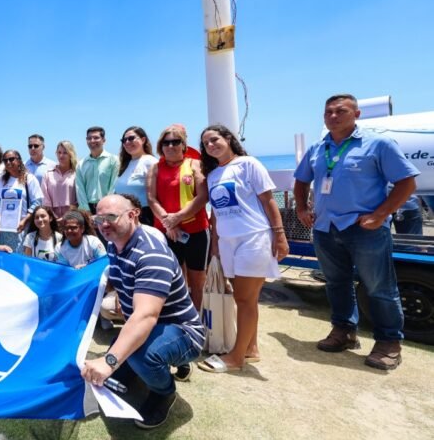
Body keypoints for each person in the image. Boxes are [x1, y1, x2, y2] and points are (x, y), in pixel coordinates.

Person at [293, 94, 419, 370]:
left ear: (357, 114)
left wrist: (380, 214)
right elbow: (301, 181)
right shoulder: (317, 148)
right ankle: (344, 331)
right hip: (326, 228)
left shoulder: (378, 144)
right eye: (328, 112)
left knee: (379, 287)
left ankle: (388, 343)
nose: (333, 116)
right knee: (336, 283)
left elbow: (406, 183)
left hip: (365, 230)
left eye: (341, 111)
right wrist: (302, 209)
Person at [81, 194, 204, 429]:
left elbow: (145, 316)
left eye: (111, 217)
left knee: (139, 356)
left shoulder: (151, 254)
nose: (104, 225)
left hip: (184, 332)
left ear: (133, 214)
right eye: (99, 219)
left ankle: (164, 392)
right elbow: (114, 278)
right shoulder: (114, 244)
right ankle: (152, 363)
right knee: (120, 358)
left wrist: (109, 361)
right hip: (151, 326)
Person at [197, 124, 288, 374]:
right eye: (206, 143)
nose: (211, 145)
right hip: (228, 242)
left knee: (245, 299)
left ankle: (236, 357)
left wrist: (279, 236)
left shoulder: (248, 164)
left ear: (228, 138)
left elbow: (268, 201)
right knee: (246, 299)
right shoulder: (214, 175)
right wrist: (215, 244)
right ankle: (251, 348)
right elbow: (215, 213)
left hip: (253, 237)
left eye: (215, 139)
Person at [147, 124, 210, 310]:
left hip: (196, 231)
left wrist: (178, 217)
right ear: (160, 146)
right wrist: (169, 222)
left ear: (183, 145)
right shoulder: (155, 169)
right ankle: (179, 317)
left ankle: (197, 323)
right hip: (167, 232)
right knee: (173, 279)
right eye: (166, 142)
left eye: (176, 142)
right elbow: (151, 198)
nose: (171, 146)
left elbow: (202, 196)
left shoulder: (195, 164)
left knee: (197, 280)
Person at [0, 150, 44, 252]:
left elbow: (37, 201)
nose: (8, 162)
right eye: (5, 160)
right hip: (5, 228)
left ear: (19, 161)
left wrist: (25, 220)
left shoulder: (29, 178)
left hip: (23, 227)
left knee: (21, 257)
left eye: (11, 159)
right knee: (6, 256)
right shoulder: (1, 180)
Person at [114, 126, 157, 225]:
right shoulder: (125, 164)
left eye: (131, 138)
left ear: (143, 139)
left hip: (145, 216)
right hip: (125, 215)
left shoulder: (150, 162)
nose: (127, 142)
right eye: (124, 140)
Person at [76, 126, 120, 214]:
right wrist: (85, 210)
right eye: (89, 138)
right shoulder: (81, 164)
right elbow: (79, 188)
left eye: (96, 138)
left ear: (104, 140)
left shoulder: (114, 160)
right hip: (87, 208)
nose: (92, 141)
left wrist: (107, 207)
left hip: (108, 208)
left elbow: (114, 186)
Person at [41, 140, 79, 222]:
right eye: (59, 152)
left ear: (71, 154)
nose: (61, 155)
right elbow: (45, 198)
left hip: (72, 217)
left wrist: (67, 216)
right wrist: (53, 217)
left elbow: (79, 198)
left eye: (65, 153)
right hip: (52, 218)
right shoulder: (48, 174)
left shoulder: (77, 173)